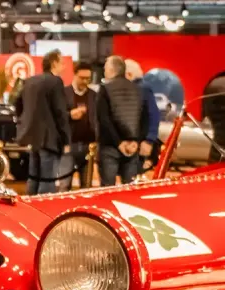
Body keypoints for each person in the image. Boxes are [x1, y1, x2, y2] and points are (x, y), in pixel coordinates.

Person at [15, 50, 70, 195]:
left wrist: (24, 121)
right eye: (61, 63)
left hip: (32, 137)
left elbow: (17, 104)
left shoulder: (30, 81)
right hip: (49, 139)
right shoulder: (56, 82)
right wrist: (66, 139)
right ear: (54, 63)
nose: (63, 66)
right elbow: (60, 112)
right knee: (47, 181)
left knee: (33, 178)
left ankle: (29, 206)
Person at [96, 55, 149, 186]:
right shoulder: (138, 90)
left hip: (110, 147)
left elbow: (104, 120)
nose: (104, 71)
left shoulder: (105, 89)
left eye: (105, 68)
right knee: (129, 189)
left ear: (111, 70)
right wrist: (136, 142)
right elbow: (145, 119)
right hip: (132, 148)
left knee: (107, 189)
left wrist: (119, 143)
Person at [60, 60, 96, 191]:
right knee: (64, 185)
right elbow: (56, 116)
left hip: (88, 147)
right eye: (82, 78)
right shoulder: (63, 93)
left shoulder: (94, 95)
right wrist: (70, 115)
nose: (85, 81)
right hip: (69, 146)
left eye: (88, 78)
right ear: (74, 75)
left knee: (86, 187)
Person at [124, 59, 160, 174]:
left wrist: (149, 140)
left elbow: (153, 115)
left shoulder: (142, 89)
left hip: (137, 142)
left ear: (129, 74)